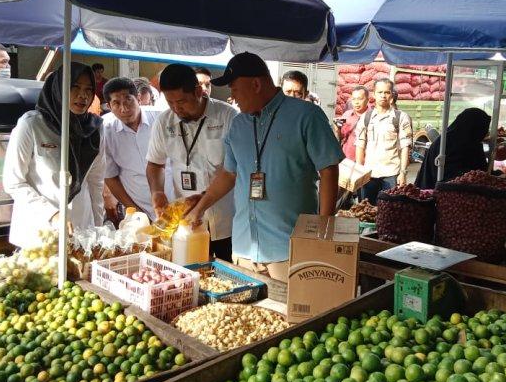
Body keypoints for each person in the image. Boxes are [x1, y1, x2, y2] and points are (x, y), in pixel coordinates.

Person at [186, 53, 343, 281]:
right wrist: (200, 207)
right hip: (244, 247)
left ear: (256, 84)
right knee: (249, 316)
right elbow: (229, 174)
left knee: (291, 314)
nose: (232, 96)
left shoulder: (306, 115)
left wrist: (324, 228)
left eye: (235, 89)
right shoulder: (238, 125)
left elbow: (329, 169)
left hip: (289, 247)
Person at [3, 63, 104, 248]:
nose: (83, 95)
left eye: (89, 90)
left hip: (81, 231)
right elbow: (13, 182)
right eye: (75, 87)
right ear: (58, 88)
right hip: (39, 232)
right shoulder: (32, 125)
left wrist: (97, 228)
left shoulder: (95, 129)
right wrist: (52, 214)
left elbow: (96, 183)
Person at [147, 64, 237, 261]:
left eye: (182, 102)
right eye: (170, 103)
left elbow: (233, 172)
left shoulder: (228, 117)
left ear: (198, 91)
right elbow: (155, 164)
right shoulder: (164, 122)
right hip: (186, 222)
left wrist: (202, 205)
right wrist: (157, 192)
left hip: (225, 221)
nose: (176, 108)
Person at [102, 77, 161, 220]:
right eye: (116, 103)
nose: (124, 108)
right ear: (109, 106)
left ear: (139, 99)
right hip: (137, 207)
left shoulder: (161, 119)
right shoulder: (105, 130)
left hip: (171, 203)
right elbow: (110, 177)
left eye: (128, 100)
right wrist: (135, 211)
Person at [355, 79, 413, 204]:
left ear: (391, 94)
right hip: (369, 175)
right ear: (374, 94)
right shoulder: (365, 117)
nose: (383, 95)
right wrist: (359, 171)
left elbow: (405, 147)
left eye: (386, 92)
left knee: (391, 213)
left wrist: (403, 173)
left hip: (392, 175)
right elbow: (360, 145)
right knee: (366, 212)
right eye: (380, 92)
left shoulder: (401, 117)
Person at [415, 108, 491, 189]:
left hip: (437, 192)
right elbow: (457, 178)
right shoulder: (452, 144)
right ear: (475, 128)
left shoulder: (454, 138)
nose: (485, 133)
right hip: (438, 195)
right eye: (483, 129)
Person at [337, 86, 370, 160]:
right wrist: (337, 128)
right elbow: (340, 138)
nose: (356, 102)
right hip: (347, 159)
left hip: (366, 161)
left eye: (360, 99)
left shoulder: (373, 117)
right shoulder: (347, 115)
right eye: (354, 99)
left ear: (367, 100)